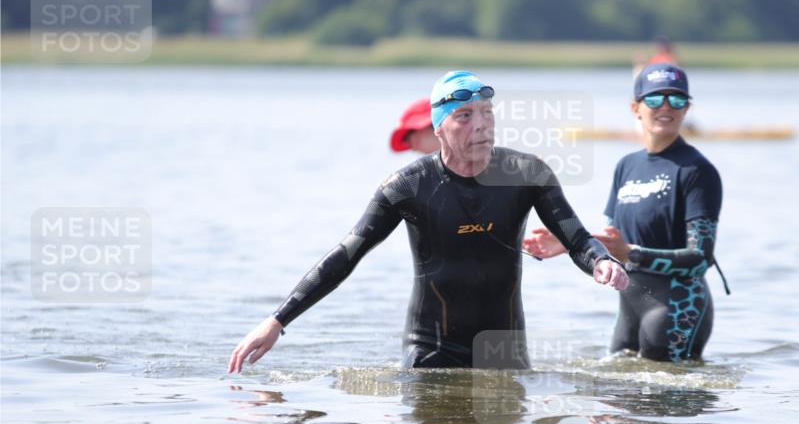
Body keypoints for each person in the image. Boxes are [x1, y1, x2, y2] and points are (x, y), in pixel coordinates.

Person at [229, 70, 628, 373]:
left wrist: (601, 262)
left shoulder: (527, 174)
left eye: (487, 114)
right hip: (429, 355)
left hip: (505, 355)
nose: (481, 126)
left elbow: (575, 238)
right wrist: (277, 320)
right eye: (465, 116)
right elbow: (346, 255)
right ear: (438, 127)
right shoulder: (408, 186)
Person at [523, 64, 724, 362]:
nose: (666, 107)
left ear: (687, 109)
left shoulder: (698, 171)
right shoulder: (626, 166)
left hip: (678, 306)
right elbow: (614, 240)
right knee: (615, 403)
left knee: (663, 402)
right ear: (636, 108)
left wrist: (633, 253)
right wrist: (570, 244)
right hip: (630, 305)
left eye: (677, 100)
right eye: (655, 99)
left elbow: (700, 259)